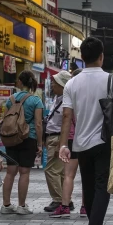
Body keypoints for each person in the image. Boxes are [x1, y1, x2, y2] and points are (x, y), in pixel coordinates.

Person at [58, 37, 113, 225]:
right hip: (105, 141)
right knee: (102, 187)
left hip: (80, 143)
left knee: (88, 188)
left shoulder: (71, 83)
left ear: (82, 57)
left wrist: (63, 145)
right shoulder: (112, 80)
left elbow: (67, 116)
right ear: (101, 56)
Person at [0, 70, 44, 215]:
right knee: (24, 172)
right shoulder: (35, 100)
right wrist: (39, 143)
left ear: (20, 82)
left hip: (11, 138)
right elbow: (38, 124)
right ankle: (21, 206)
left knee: (10, 172)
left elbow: (6, 120)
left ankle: (6, 205)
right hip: (28, 137)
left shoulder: (10, 99)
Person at [49, 69, 86, 218]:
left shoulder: (70, 92)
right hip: (87, 138)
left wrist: (62, 143)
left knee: (68, 174)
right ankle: (85, 207)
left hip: (71, 138)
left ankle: (64, 206)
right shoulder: (89, 94)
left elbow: (66, 116)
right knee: (86, 175)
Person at [43, 71, 72, 212]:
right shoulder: (58, 98)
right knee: (59, 172)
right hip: (52, 137)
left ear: (63, 85)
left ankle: (58, 199)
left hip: (57, 138)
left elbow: (67, 122)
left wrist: (61, 143)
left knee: (50, 170)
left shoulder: (67, 101)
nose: (52, 84)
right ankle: (66, 200)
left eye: (55, 82)